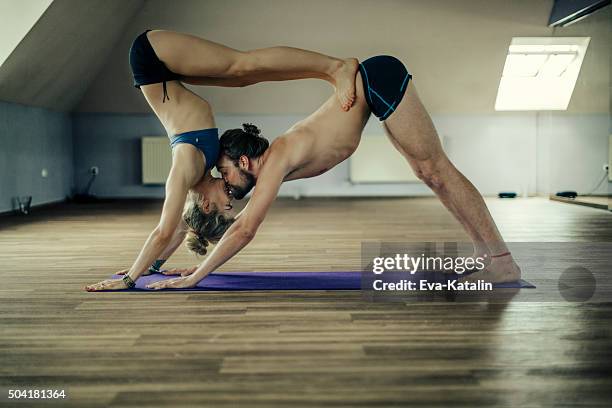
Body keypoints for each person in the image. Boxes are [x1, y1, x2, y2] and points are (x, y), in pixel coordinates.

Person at [147, 55, 521, 290]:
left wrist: (197, 278)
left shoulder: (277, 158)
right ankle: (488, 256)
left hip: (376, 78)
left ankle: (502, 262)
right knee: (428, 173)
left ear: (243, 162)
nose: (224, 184)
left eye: (224, 173)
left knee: (434, 169)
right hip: (373, 89)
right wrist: (171, 262)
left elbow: (246, 229)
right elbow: (233, 218)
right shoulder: (270, 169)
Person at [84, 29, 360, 291]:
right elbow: (183, 227)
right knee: (242, 76)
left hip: (152, 55)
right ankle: (329, 73)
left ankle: (335, 67)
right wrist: (155, 266)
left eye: (225, 204)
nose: (231, 198)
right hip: (163, 70)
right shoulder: (202, 174)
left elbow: (164, 232)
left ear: (205, 203)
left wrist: (131, 278)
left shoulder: (185, 170)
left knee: (242, 66)